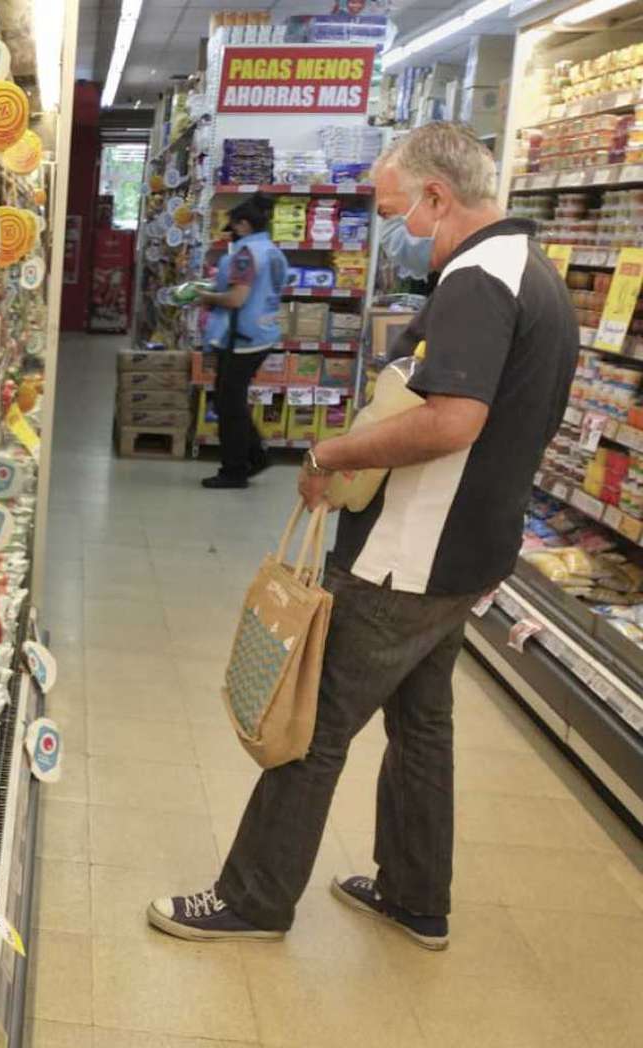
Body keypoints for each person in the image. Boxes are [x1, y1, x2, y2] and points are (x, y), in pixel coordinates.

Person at [148, 122, 579, 949]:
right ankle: (415, 897)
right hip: (470, 554)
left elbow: (452, 420)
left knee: (312, 723)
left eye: (392, 211)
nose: (393, 229)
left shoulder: (477, 280)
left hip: (409, 557)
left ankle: (253, 899)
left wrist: (331, 453)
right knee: (423, 727)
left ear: (436, 197)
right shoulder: (536, 273)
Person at [198, 194, 289, 489]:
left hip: (243, 337)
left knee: (229, 406)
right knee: (230, 400)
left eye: (234, 228)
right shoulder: (272, 251)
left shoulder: (245, 255)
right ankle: (256, 455)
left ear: (245, 225)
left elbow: (237, 299)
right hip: (263, 332)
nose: (231, 234)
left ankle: (234, 471)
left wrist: (205, 296)